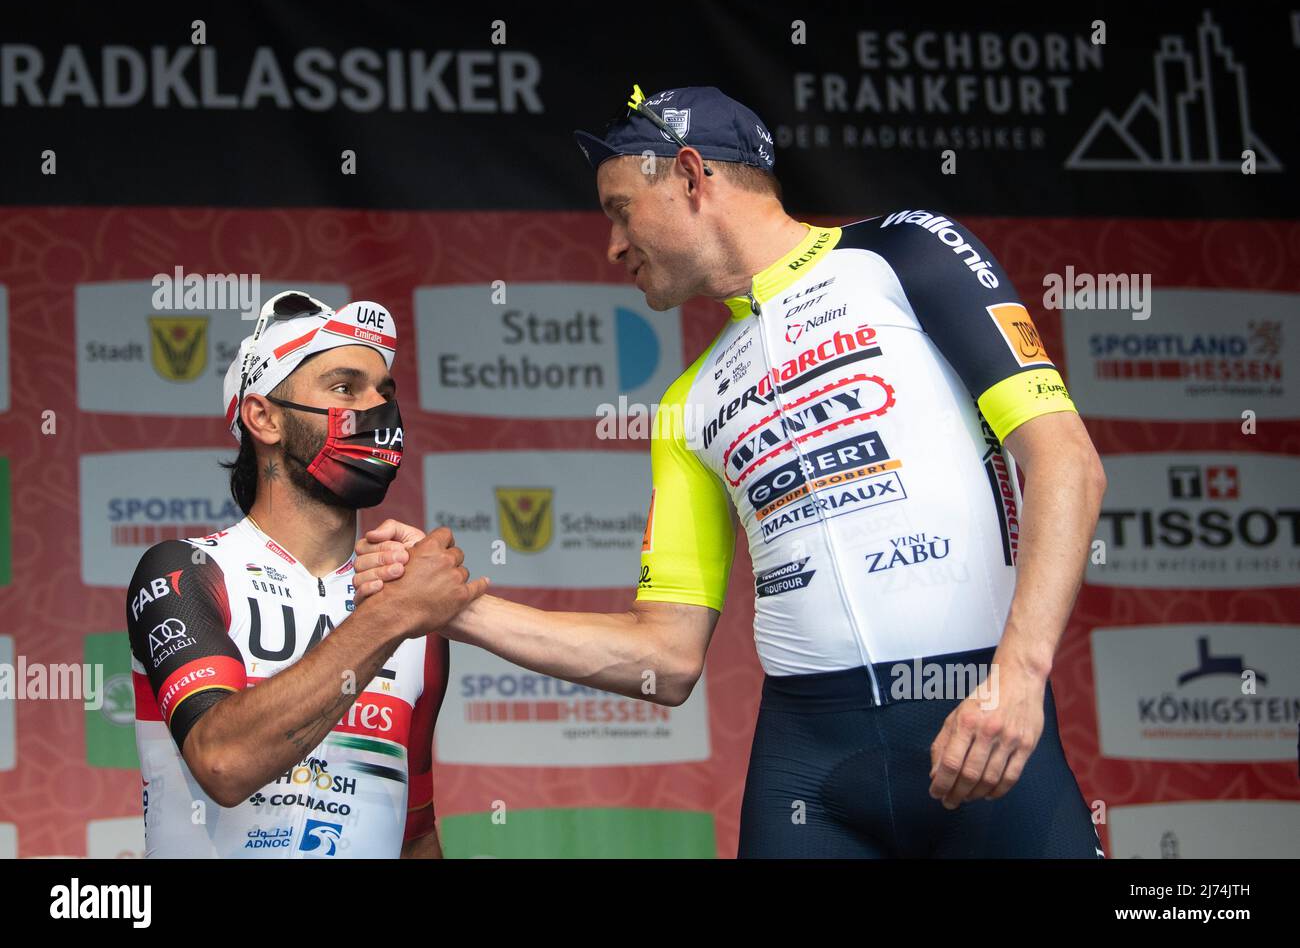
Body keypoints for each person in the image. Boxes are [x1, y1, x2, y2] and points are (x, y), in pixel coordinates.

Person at [355, 85, 1107, 857]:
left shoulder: (903, 251)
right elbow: (667, 656)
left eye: (619, 210)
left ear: (689, 175)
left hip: (982, 726)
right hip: (812, 769)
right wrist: (451, 609)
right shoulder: (688, 402)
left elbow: (1064, 461)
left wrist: (1018, 676)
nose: (613, 246)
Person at [124, 290, 487, 858]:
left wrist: (403, 609)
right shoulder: (188, 571)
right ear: (263, 417)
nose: (378, 410)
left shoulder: (412, 612)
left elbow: (416, 832)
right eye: (345, 388)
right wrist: (393, 614)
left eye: (384, 392)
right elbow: (223, 761)